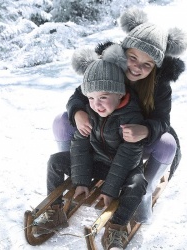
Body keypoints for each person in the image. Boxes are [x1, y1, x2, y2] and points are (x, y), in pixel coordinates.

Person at [53, 7, 187, 225]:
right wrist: (78, 112)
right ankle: (75, 172)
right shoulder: (106, 67)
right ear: (122, 52)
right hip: (100, 135)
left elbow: (163, 121)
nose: (136, 67)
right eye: (132, 57)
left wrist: (144, 130)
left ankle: (145, 191)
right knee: (61, 121)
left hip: (132, 142)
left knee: (168, 144)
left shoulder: (159, 85)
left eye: (147, 64)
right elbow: (79, 94)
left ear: (156, 67)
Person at [33, 46, 148, 250]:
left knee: (138, 183)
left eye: (103, 97)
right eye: (91, 98)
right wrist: (81, 181)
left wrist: (110, 189)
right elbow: (80, 144)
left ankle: (117, 226)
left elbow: (127, 157)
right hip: (97, 162)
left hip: (123, 168)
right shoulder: (89, 111)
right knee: (55, 161)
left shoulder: (132, 118)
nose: (97, 104)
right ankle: (55, 211)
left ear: (118, 94)